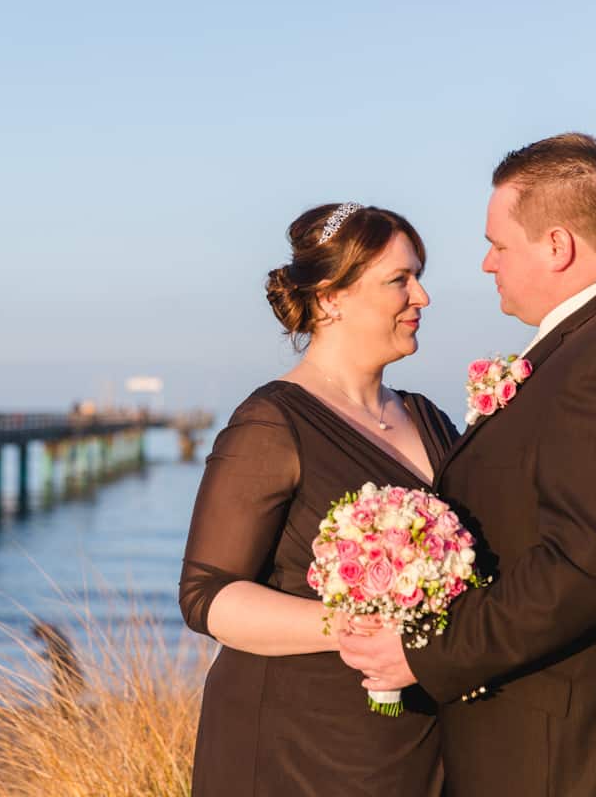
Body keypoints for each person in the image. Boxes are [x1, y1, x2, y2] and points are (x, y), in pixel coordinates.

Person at [339, 133, 596, 796]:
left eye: (499, 244)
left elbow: (590, 565)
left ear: (557, 245)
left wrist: (423, 653)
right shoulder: (593, 346)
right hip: (565, 741)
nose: (486, 263)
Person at [179, 202, 457, 796]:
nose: (423, 297)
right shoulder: (272, 423)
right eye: (400, 280)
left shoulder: (429, 418)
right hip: (297, 747)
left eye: (419, 276)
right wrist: (356, 625)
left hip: (417, 744)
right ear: (332, 298)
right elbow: (207, 595)